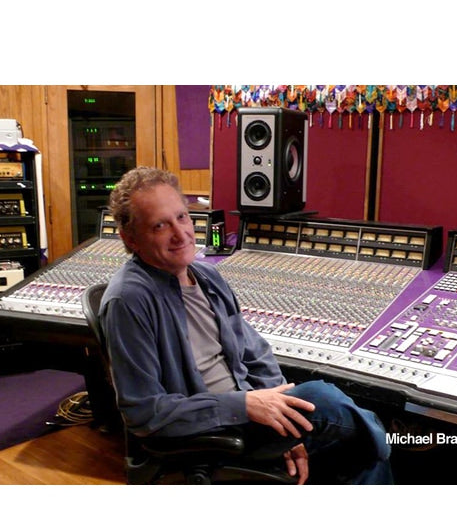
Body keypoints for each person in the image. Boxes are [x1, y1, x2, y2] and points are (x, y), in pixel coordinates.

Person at [99, 166, 393, 484]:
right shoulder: (128, 300)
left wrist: (284, 419)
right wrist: (243, 405)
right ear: (131, 239)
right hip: (208, 431)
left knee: (359, 456)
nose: (180, 233)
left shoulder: (207, 277)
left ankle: (379, 448)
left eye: (182, 217)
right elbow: (144, 412)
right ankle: (392, 443)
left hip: (250, 413)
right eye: (160, 225)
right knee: (323, 399)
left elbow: (254, 354)